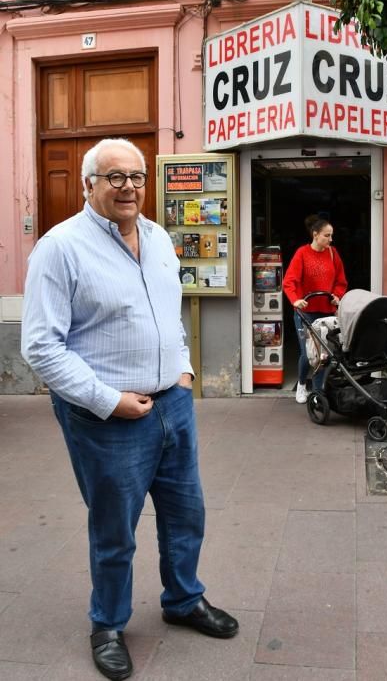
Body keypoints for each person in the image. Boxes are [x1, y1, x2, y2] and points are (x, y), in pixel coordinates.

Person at [21, 138, 238, 681]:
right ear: (88, 184)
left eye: (137, 176)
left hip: (173, 406)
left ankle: (184, 600)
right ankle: (109, 624)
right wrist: (108, 401)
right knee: (115, 529)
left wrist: (184, 373)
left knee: (188, 514)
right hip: (106, 420)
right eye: (114, 177)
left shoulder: (161, 237)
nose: (129, 187)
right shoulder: (60, 247)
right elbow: (41, 347)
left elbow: (170, 315)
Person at [283, 217, 348, 403]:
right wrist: (295, 300)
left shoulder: (333, 254)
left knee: (324, 353)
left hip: (326, 310)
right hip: (306, 312)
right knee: (308, 352)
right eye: (327, 235)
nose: (330, 239)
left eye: (331, 236)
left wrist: (337, 295)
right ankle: (302, 384)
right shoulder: (302, 254)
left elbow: (341, 281)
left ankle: (318, 391)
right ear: (315, 235)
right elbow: (289, 281)